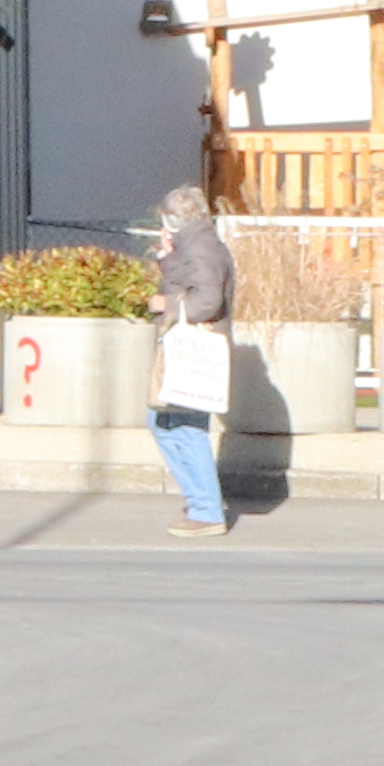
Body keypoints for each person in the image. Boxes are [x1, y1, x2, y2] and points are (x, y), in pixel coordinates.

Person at [151, 184, 240, 539]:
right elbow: (184, 278)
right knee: (164, 422)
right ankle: (200, 502)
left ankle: (205, 509)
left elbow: (206, 301)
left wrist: (164, 306)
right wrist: (167, 255)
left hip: (196, 347)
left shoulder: (201, 248)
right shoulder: (196, 243)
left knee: (185, 428)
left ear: (174, 217)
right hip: (189, 344)